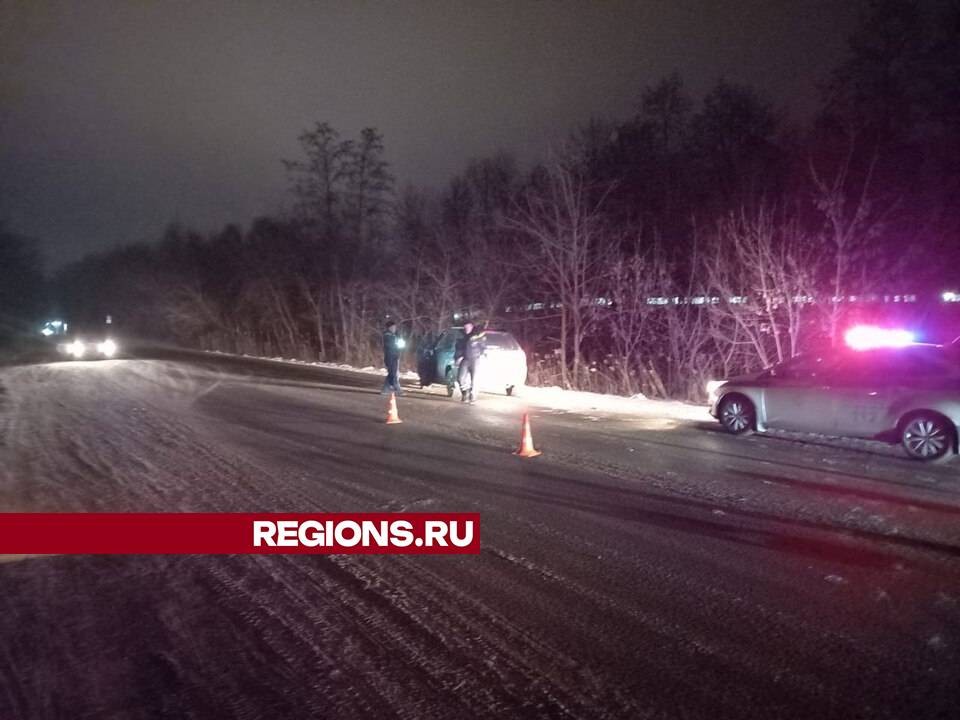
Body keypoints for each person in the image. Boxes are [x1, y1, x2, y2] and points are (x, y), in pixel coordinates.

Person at [455, 321, 486, 403]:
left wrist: (482, 355)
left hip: (475, 359)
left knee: (474, 379)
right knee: (460, 378)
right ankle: (465, 393)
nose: (466, 329)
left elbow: (483, 347)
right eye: (465, 327)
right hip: (465, 359)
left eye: (468, 327)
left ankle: (473, 396)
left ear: (472, 327)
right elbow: (458, 348)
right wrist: (457, 358)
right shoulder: (462, 337)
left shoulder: (478, 336)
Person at [382, 320, 404, 395]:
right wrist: (396, 344)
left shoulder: (395, 335)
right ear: (389, 328)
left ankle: (385, 389)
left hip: (395, 356)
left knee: (392, 373)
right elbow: (390, 345)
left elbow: (400, 345)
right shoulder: (387, 335)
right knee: (392, 373)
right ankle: (397, 389)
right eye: (393, 327)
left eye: (395, 327)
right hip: (389, 356)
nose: (394, 328)